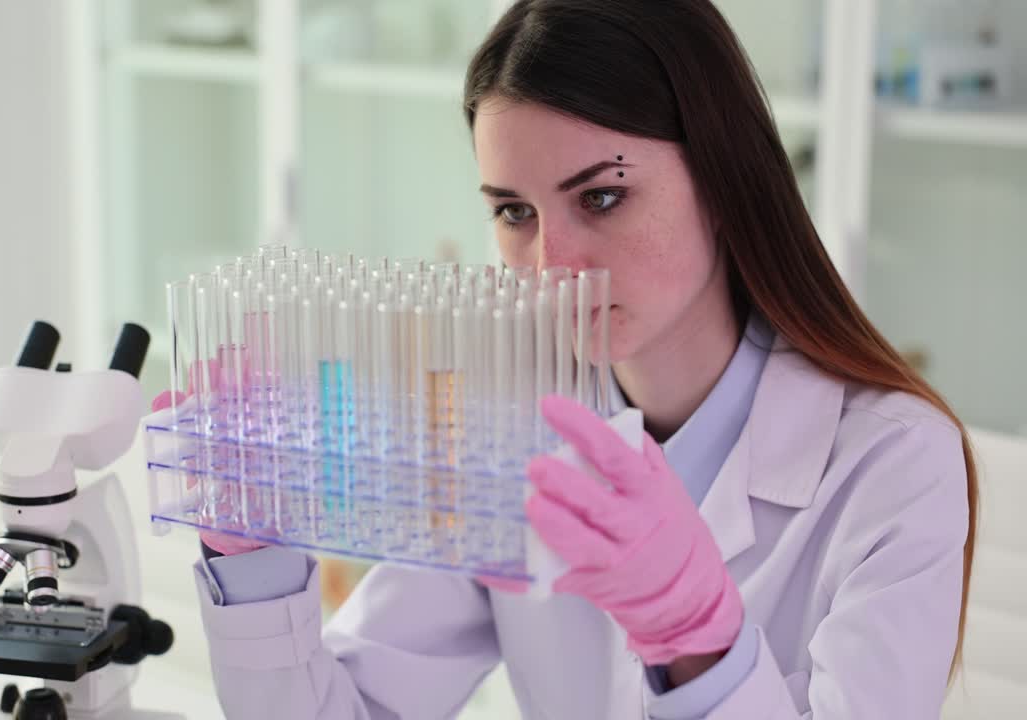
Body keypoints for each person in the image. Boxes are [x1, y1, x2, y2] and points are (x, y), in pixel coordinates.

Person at [152, 1, 978, 716]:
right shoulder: (506, 422)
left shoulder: (892, 465)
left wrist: (704, 648)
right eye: (515, 212)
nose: (552, 265)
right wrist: (254, 568)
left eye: (603, 197)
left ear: (725, 181)